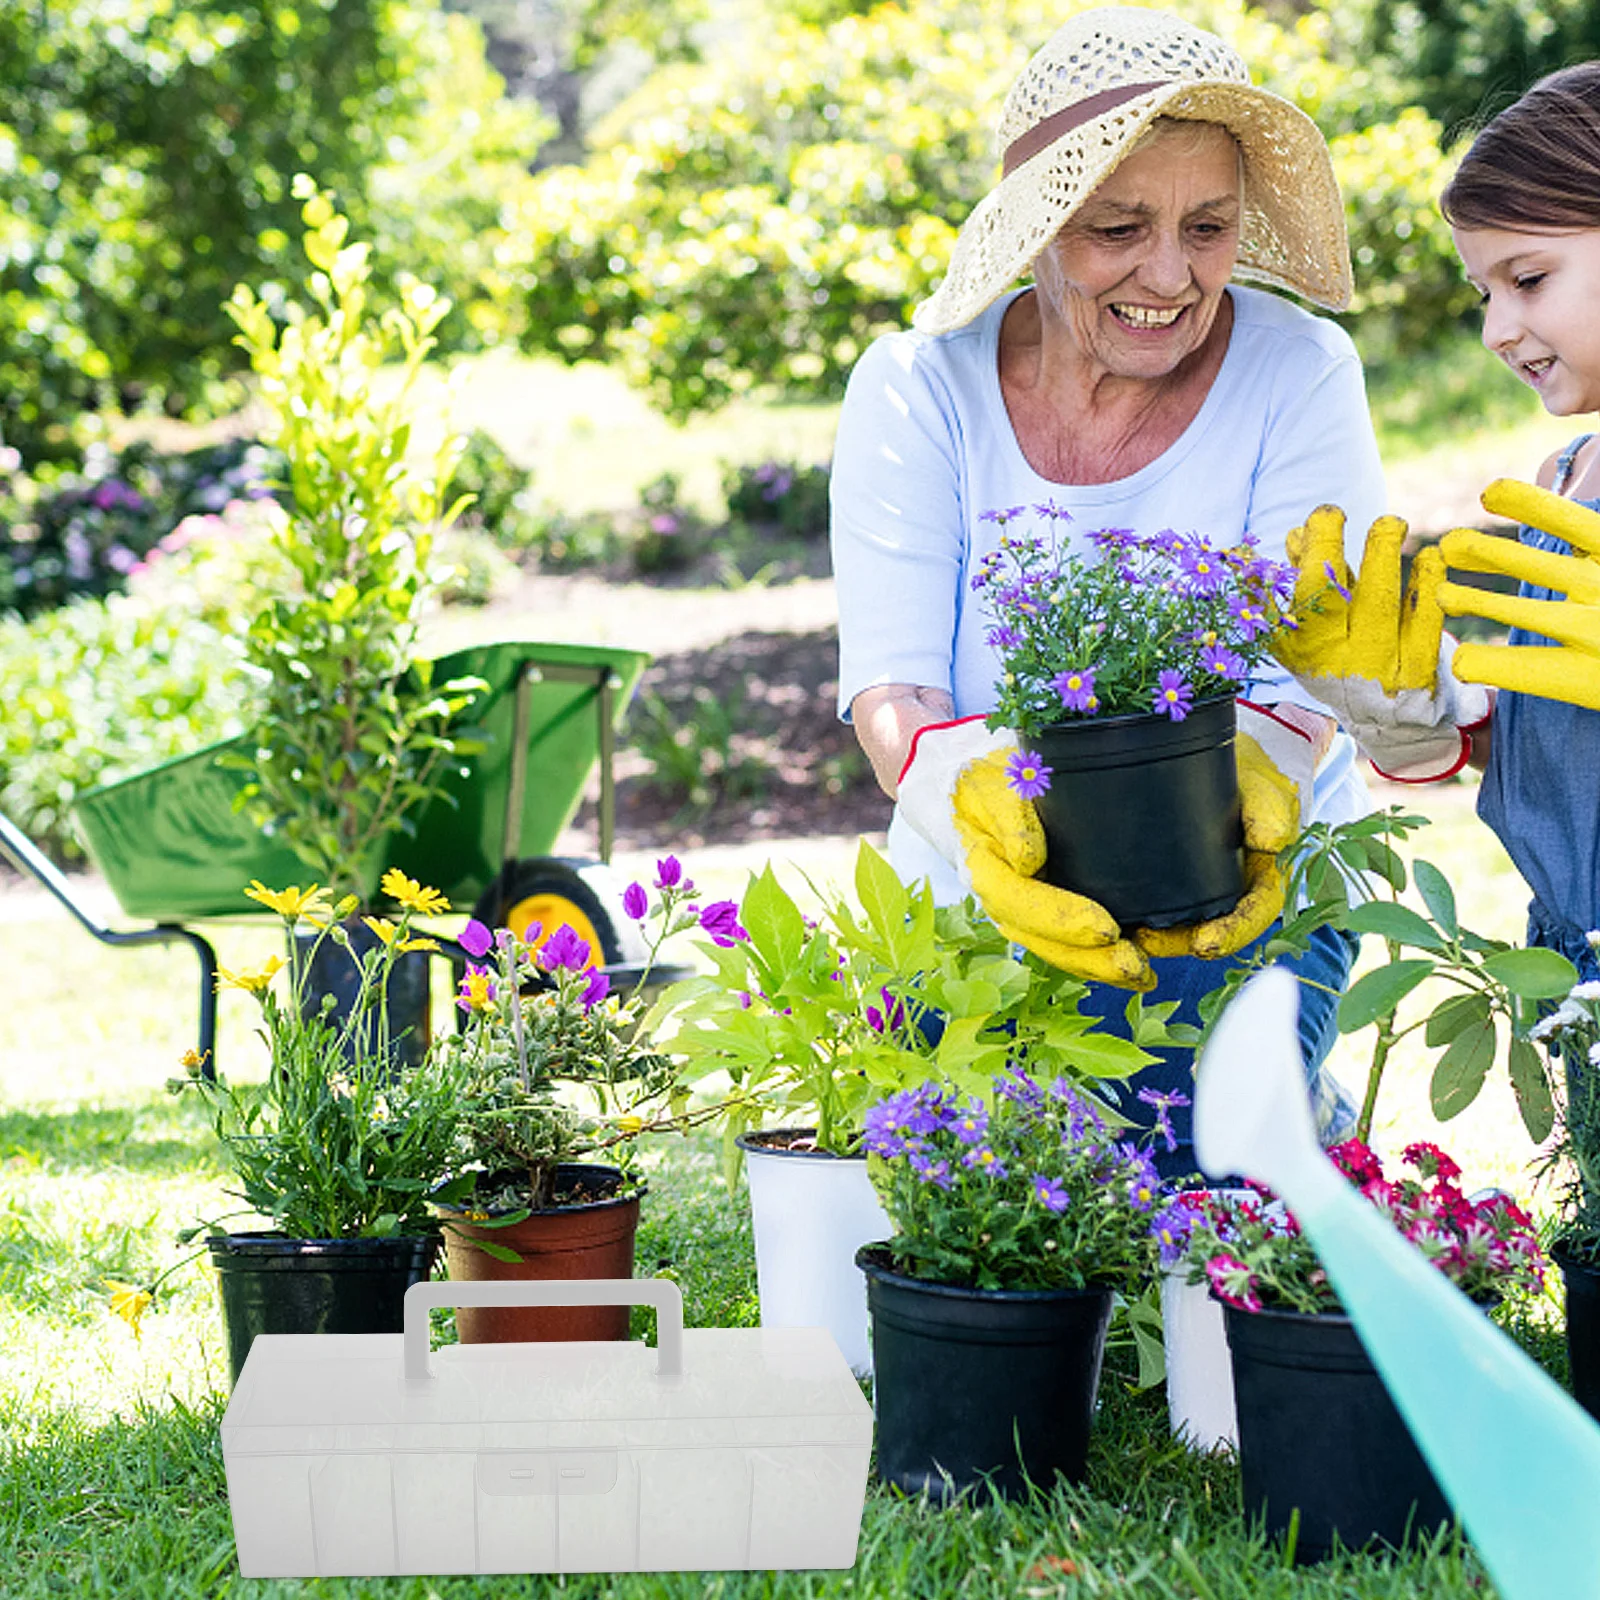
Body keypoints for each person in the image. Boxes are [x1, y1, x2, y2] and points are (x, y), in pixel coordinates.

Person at [828, 5, 1387, 1166]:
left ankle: (1289, 1123)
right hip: (975, 897)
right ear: (1035, 225)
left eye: (1209, 225)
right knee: (968, 1212)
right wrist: (986, 843)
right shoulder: (916, 386)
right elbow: (893, 693)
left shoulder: (1299, 371)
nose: (1169, 275)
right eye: (1117, 226)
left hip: (1239, 892)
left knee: (1201, 1174)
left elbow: (1314, 672)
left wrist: (1255, 790)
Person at [1273, 63, 1600, 992]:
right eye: (1483, 292)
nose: (1498, 328)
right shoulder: (1565, 481)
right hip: (1565, 960)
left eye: (1529, 279)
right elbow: (1567, 744)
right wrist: (1436, 713)